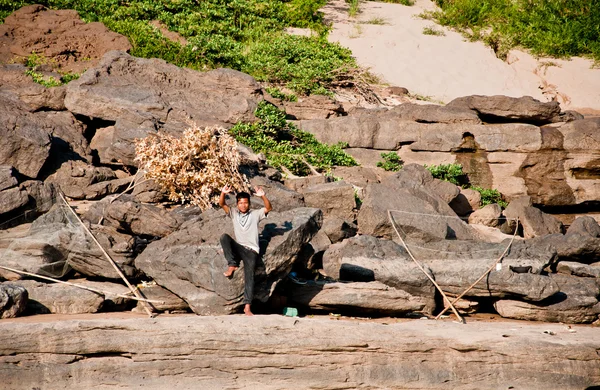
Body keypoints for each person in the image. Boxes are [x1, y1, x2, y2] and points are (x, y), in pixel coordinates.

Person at [219, 185, 272, 316]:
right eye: (240, 203)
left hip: (251, 251)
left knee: (250, 277)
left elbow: (268, 208)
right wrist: (223, 193)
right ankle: (232, 264)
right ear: (237, 204)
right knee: (224, 237)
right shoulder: (234, 213)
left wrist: (263, 196)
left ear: (249, 204)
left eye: (245, 203)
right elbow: (222, 204)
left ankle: (247, 307)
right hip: (239, 247)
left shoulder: (255, 214)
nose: (243, 205)